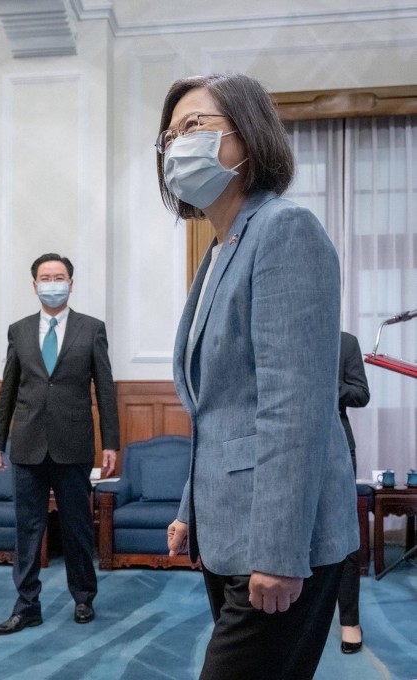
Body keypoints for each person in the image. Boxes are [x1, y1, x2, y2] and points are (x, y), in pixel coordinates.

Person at [159, 73, 358, 680]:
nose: (175, 144)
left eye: (194, 126)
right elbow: (219, 410)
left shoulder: (284, 230)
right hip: (230, 528)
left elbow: (292, 409)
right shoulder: (221, 249)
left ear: (248, 137)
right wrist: (191, 508)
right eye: (168, 136)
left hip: (278, 540)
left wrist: (277, 551)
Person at [0, 253, 120, 635]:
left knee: (78, 527)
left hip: (74, 444)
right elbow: (8, 389)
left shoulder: (91, 328)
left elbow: (106, 390)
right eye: (45, 277)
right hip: (28, 445)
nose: (52, 282)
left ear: (71, 283)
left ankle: (83, 598)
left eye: (59, 276)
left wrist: (111, 441)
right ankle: (26, 605)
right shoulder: (19, 330)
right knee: (26, 530)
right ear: (34, 285)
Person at [337, 330, 370, 654]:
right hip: (287, 446)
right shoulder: (282, 332)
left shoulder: (346, 342)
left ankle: (350, 620)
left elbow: (361, 394)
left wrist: (327, 386)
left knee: (345, 535)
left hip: (338, 447)